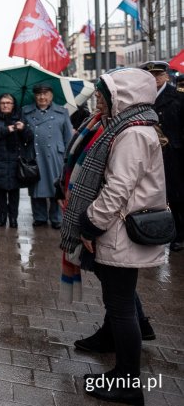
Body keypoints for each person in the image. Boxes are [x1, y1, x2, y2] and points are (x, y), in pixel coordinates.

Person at [60, 68, 166, 405]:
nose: (99, 101)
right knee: (117, 298)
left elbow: (118, 188)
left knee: (121, 306)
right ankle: (111, 341)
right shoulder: (126, 126)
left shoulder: (132, 133)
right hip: (116, 227)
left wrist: (91, 223)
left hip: (118, 228)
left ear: (124, 96)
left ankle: (128, 382)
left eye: (104, 95)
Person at [140, 61, 184, 252]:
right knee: (153, 196)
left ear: (166, 76)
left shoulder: (178, 98)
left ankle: (179, 235)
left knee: (177, 196)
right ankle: (154, 232)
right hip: (149, 155)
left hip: (175, 156)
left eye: (158, 75)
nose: (155, 79)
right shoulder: (141, 99)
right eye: (151, 76)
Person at [23, 83, 73, 228]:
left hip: (56, 156)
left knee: (56, 186)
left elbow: (68, 136)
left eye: (45, 94)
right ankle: (39, 217)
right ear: (35, 96)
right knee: (36, 187)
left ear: (51, 96)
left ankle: (57, 218)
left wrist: (68, 157)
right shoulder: (26, 112)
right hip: (34, 155)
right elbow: (22, 137)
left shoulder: (62, 112)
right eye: (39, 94)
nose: (42, 97)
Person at [0, 94, 33, 228]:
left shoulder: (20, 119)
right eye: (3, 103)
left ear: (13, 105)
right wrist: (7, 129)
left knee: (14, 192)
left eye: (9, 103)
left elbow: (29, 138)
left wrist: (23, 129)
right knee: (0, 191)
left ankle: (13, 218)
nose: (5, 105)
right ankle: (2, 217)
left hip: (16, 161)